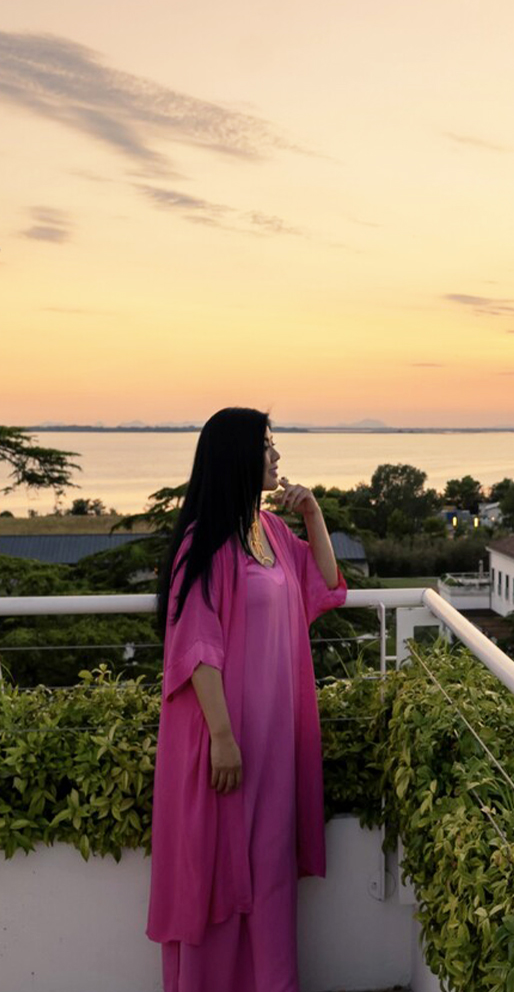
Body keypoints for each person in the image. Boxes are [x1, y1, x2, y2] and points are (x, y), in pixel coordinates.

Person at [146, 408, 346, 992]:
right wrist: (223, 739)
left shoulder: (271, 532)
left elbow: (326, 583)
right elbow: (197, 647)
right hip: (227, 734)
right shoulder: (203, 544)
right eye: (266, 446)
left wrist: (314, 514)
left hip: (276, 734)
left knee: (271, 868)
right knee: (219, 870)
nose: (277, 456)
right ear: (236, 457)